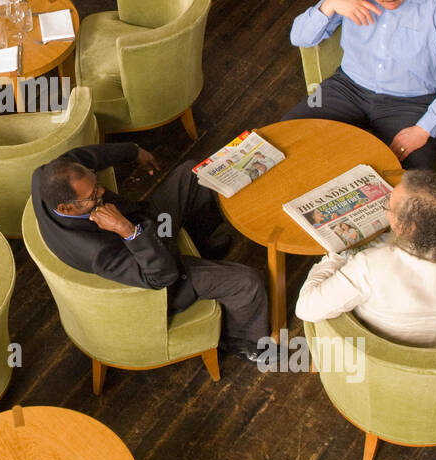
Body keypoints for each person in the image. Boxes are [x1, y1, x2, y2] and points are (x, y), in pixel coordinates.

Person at [32, 143, 270, 362]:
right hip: (158, 268)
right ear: (66, 208)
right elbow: (160, 277)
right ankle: (243, 342)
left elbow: (89, 155)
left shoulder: (45, 174)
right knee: (247, 282)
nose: (102, 192)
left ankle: (200, 245)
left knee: (194, 174)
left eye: (96, 182)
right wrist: (127, 231)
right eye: (93, 196)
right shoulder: (97, 252)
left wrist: (134, 151)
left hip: (144, 222)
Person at [284, 0, 436, 170]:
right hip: (346, 88)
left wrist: (424, 128)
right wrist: (329, 4)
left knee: (413, 181)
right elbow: (299, 37)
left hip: (411, 102)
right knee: (286, 135)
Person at [295, 171, 436, 346]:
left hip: (382, 350)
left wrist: (332, 260)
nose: (387, 213)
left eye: (388, 208)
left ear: (409, 227)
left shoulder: (370, 265)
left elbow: (306, 308)